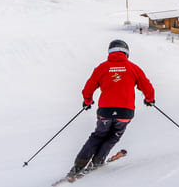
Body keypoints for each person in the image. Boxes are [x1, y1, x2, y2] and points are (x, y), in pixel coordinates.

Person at [66, 39, 155, 178]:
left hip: (105, 111)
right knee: (114, 135)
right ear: (126, 52)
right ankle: (97, 161)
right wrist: (149, 99)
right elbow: (147, 86)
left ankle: (79, 164)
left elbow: (88, 88)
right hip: (125, 112)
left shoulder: (102, 68)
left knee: (98, 135)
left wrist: (87, 101)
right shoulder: (133, 68)